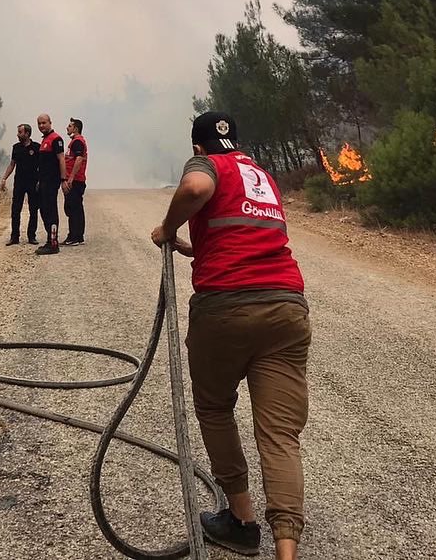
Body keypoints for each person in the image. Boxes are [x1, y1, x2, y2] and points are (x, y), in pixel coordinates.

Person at [150, 111, 309, 560]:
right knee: (280, 435)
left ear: (198, 147)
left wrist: (169, 229)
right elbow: (243, 236)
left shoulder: (205, 166)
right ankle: (287, 551)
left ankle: (241, 522)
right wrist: (191, 248)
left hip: (225, 308)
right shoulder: (260, 174)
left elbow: (196, 190)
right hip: (286, 308)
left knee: (215, 407)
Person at [0, 123, 41, 246]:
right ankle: (14, 237)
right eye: (18, 132)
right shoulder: (16, 147)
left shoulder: (36, 147)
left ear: (27, 133)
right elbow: (12, 164)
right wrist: (4, 179)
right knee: (15, 210)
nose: (18, 135)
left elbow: (41, 166)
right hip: (19, 183)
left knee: (33, 210)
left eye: (20, 132)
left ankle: (31, 236)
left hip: (33, 183)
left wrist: (40, 180)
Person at [34, 113, 66, 255]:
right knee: (44, 210)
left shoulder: (56, 139)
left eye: (44, 123)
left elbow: (61, 160)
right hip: (43, 182)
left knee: (51, 211)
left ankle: (53, 244)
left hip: (52, 182)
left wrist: (63, 179)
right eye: (39, 123)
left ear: (50, 123)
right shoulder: (44, 140)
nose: (41, 126)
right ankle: (49, 240)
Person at [62, 117, 88, 245]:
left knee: (74, 208)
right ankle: (76, 236)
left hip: (76, 181)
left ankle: (75, 237)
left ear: (76, 128)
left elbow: (78, 159)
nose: (67, 128)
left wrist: (70, 178)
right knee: (72, 207)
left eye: (70, 126)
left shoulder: (78, 142)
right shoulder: (74, 142)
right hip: (74, 179)